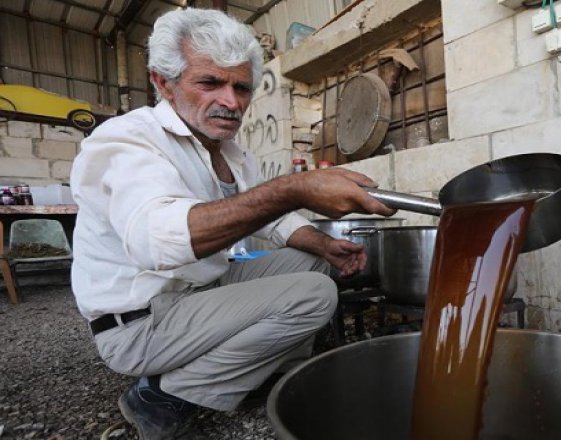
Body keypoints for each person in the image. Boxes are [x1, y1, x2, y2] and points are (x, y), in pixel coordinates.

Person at [69, 8, 394, 439]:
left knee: (315, 266)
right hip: (140, 324)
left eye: (241, 87)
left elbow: (271, 216)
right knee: (314, 295)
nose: (231, 101)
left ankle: (267, 370)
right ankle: (164, 395)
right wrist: (295, 187)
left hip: (196, 294)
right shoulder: (126, 141)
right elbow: (159, 241)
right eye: (210, 82)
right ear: (162, 83)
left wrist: (323, 243)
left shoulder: (232, 151)